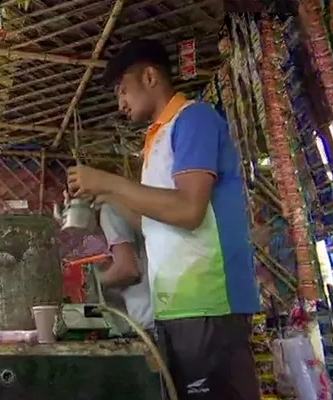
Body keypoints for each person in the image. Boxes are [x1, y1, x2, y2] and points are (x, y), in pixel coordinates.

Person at [66, 38, 261, 399]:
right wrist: (106, 195)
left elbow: (188, 211)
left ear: (151, 77)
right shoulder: (156, 140)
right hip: (176, 306)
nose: (120, 103)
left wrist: (110, 181)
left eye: (123, 90)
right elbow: (154, 225)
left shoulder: (194, 118)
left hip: (210, 302)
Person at [98, 201, 154, 333]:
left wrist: (86, 286)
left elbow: (128, 269)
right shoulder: (131, 200)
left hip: (148, 320)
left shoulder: (110, 209)